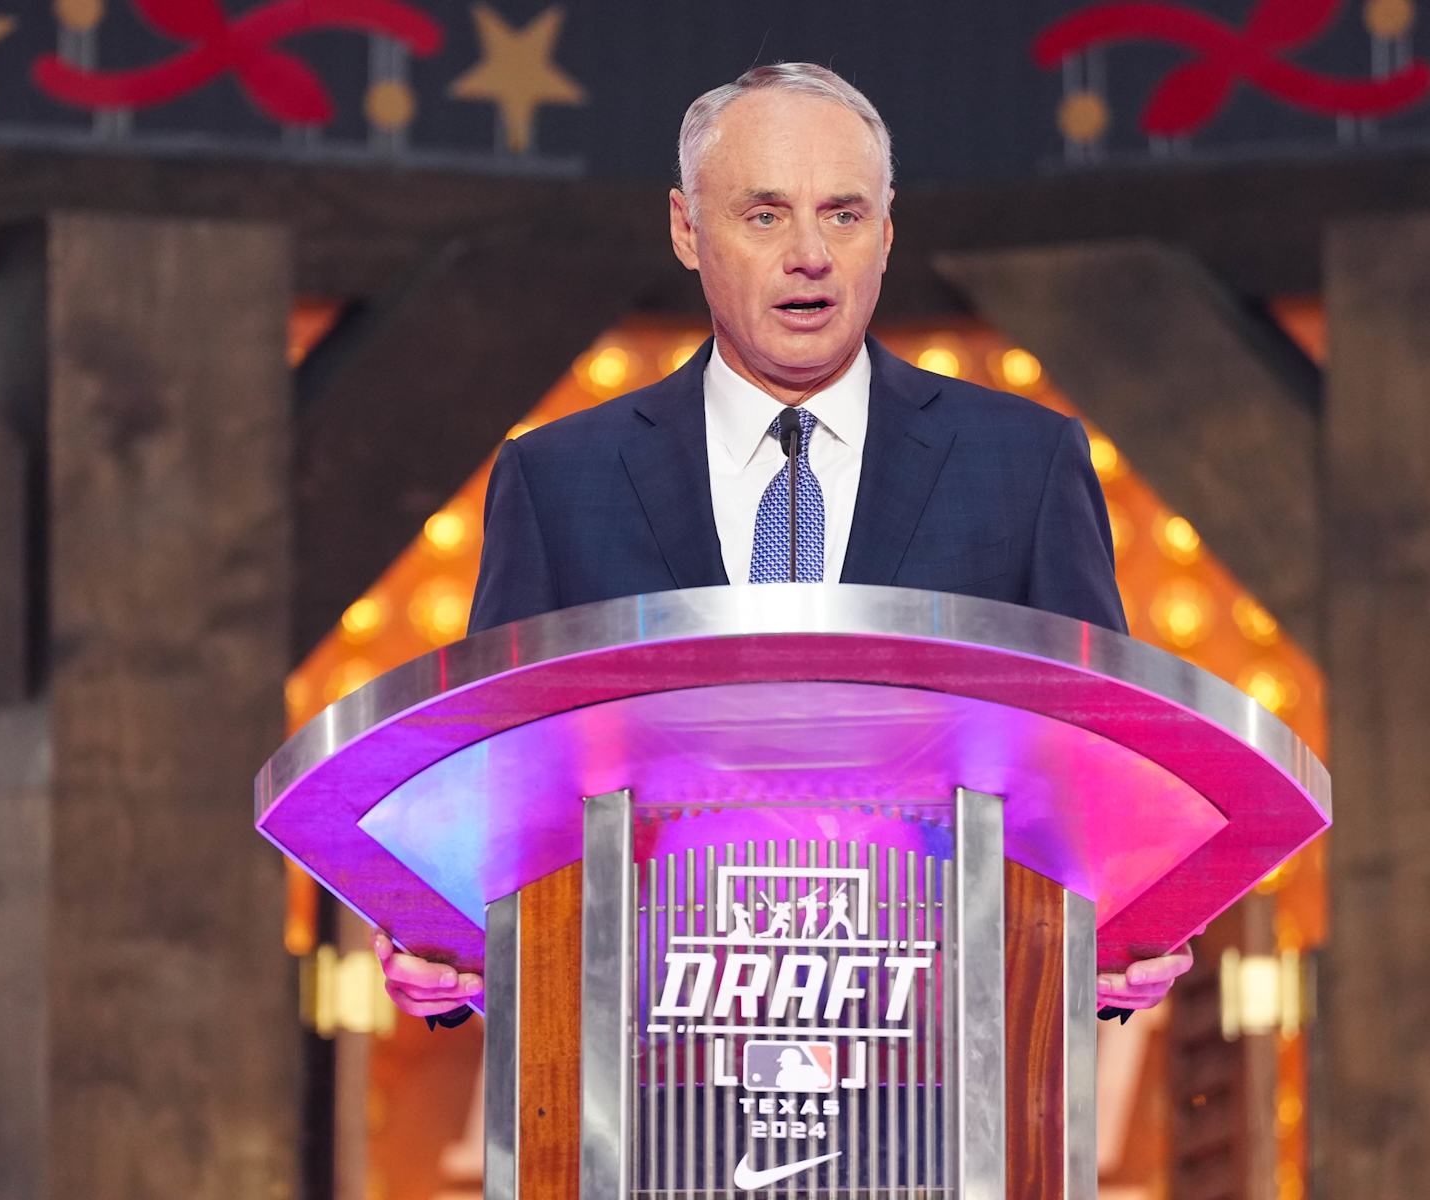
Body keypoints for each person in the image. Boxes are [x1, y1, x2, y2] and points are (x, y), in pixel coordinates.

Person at [375, 62, 1194, 1028]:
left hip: (939, 1066)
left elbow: (1098, 777)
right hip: (647, 1066)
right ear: (687, 229)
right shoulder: (557, 480)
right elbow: (492, 789)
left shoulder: (1026, 464)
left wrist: (1121, 939)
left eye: (843, 215)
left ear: (887, 233)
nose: (810, 255)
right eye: (764, 216)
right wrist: (443, 960)